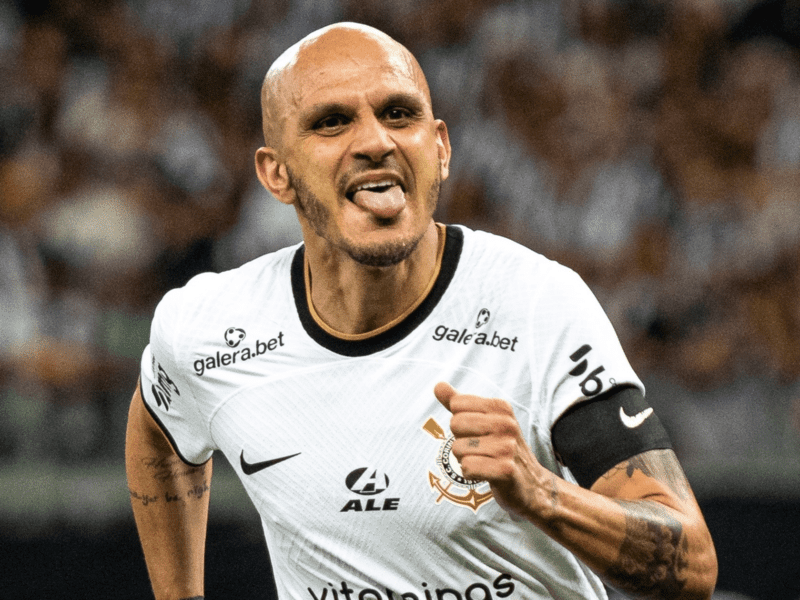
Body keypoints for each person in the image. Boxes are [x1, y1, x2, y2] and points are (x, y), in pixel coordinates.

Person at [125, 22, 717, 600]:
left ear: (440, 148)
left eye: (398, 114)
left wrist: (542, 492)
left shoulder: (536, 304)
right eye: (332, 122)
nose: (375, 141)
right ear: (276, 173)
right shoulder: (208, 327)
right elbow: (157, 430)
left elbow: (691, 563)